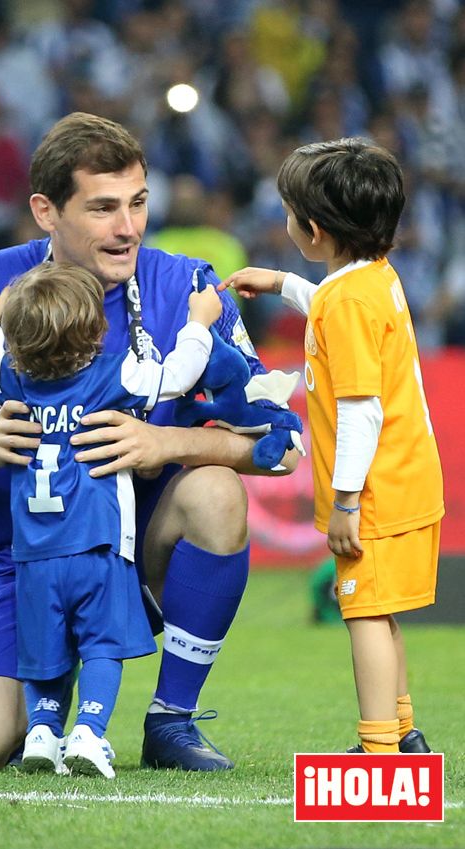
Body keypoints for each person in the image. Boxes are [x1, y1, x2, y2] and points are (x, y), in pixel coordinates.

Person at [0, 111, 300, 773]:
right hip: (20, 559)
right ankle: (46, 696)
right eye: (102, 208)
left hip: (130, 546)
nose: (128, 228)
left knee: (212, 492)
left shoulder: (188, 286)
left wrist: (163, 440)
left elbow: (279, 445)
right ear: (45, 210)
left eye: (138, 202)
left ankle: (170, 719)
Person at [220, 137, 444, 754]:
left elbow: (360, 411)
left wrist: (345, 502)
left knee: (364, 615)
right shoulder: (372, 280)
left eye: (290, 212)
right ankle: (403, 733)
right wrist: (285, 283)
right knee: (382, 608)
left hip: (373, 491)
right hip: (407, 480)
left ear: (312, 229)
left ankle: (377, 753)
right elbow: (333, 307)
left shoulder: (347, 301)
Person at [0, 262, 222, 777]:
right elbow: (177, 376)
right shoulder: (113, 374)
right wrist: (199, 322)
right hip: (98, 545)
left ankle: (41, 731)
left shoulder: (13, 382)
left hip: (33, 553)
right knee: (101, 643)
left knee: (46, 646)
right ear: (97, 329)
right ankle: (88, 732)